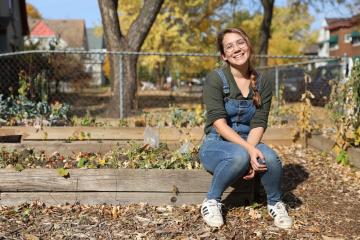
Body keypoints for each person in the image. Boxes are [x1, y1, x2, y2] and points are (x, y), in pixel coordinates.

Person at [199, 27, 293, 229]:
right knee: (239, 156)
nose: (237, 49)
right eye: (230, 46)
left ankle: (275, 203)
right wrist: (249, 151)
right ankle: (211, 201)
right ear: (224, 55)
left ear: (248, 45)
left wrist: (252, 152)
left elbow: (259, 122)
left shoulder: (263, 82)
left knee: (271, 159)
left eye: (240, 42)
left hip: (249, 139)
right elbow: (219, 123)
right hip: (217, 144)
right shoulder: (216, 79)